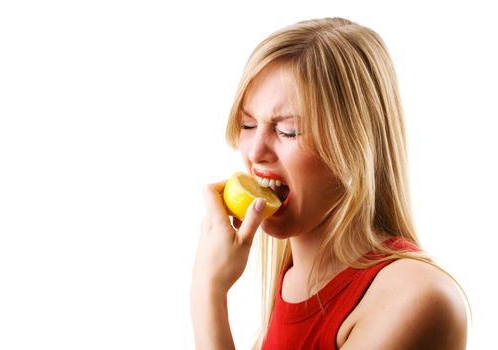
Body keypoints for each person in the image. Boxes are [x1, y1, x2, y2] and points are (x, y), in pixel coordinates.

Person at [191, 17, 468, 349]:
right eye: (248, 124)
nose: (254, 152)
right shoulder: (291, 276)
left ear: (352, 145)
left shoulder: (416, 299)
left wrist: (207, 292)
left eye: (287, 130)